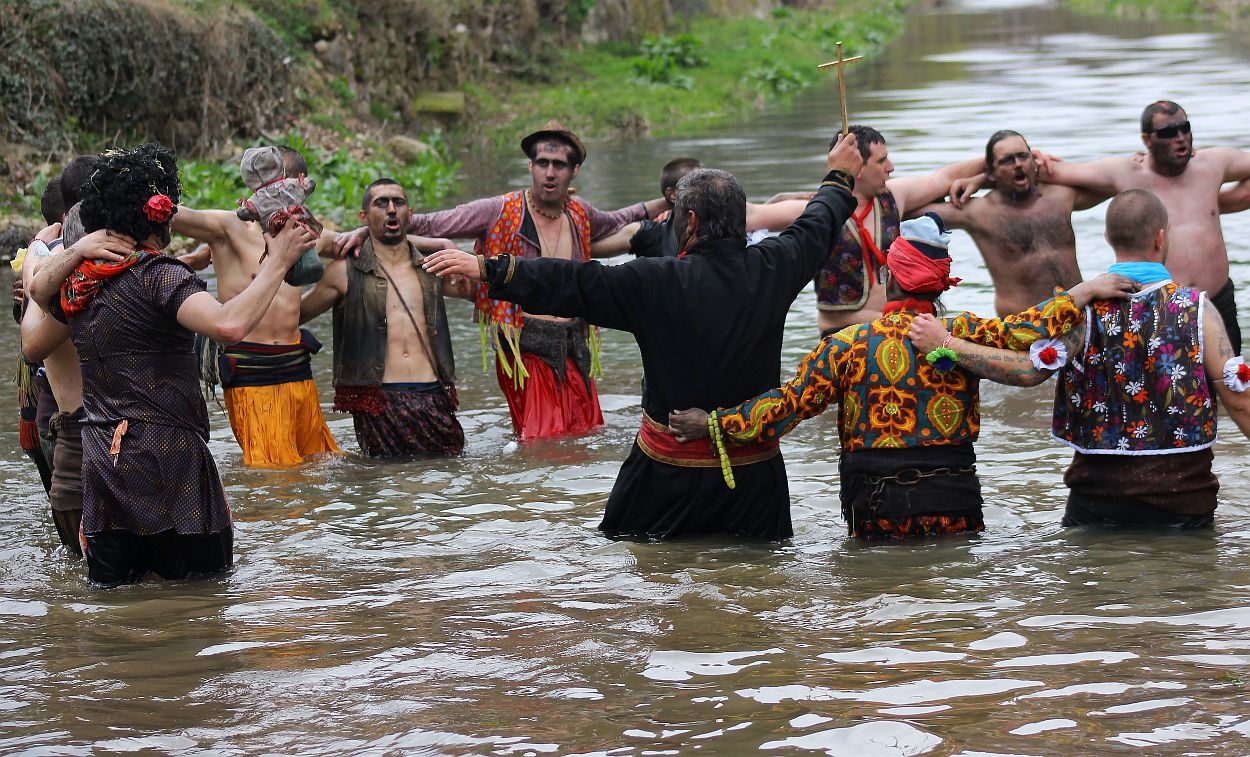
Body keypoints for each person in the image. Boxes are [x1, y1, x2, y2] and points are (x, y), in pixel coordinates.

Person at [423, 135, 865, 539]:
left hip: (666, 475)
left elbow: (571, 283)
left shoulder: (653, 282)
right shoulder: (775, 267)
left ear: (688, 222)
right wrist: (839, 174)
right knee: (753, 595)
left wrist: (487, 268)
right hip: (753, 478)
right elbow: (818, 221)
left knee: (645, 576)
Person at [667, 214, 1134, 540]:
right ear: (941, 282)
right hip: (955, 502)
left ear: (890, 275)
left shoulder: (847, 346)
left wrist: (711, 423)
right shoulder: (963, 334)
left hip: (877, 508)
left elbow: (785, 409)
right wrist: (1085, 290)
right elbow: (1023, 329)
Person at [28, 143, 316, 587]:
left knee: (114, 610)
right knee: (204, 602)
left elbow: (35, 316)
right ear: (158, 218)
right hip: (170, 466)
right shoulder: (160, 275)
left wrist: (74, 248)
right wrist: (278, 260)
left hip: (105, 469)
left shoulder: (79, 283)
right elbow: (230, 326)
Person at [911, 190, 1250, 529]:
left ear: (1106, 238)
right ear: (1161, 238)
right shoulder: (1196, 309)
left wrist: (946, 342)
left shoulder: (1083, 311)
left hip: (1098, 504)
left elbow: (1027, 371)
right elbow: (1239, 402)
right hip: (1182, 502)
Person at [341, 121, 667, 441]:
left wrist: (668, 201)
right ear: (530, 166)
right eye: (542, 163)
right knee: (542, 443)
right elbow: (431, 223)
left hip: (573, 345)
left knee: (585, 435)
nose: (549, 173)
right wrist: (369, 230)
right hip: (523, 346)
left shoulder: (580, 212)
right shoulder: (498, 210)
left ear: (574, 171)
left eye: (558, 165)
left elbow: (621, 219)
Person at [977, 101, 1250, 353]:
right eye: (1167, 132)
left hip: (1216, 300)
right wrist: (979, 180)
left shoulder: (1214, 163)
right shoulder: (1125, 172)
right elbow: (1036, 173)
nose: (1179, 137)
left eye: (1184, 128)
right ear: (1146, 140)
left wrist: (1218, 202)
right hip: (1156, 306)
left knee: (1232, 382)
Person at [170, 145, 342, 467]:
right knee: (273, 475)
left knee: (320, 465)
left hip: (297, 368)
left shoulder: (307, 234)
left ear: (300, 185)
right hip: (252, 371)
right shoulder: (228, 229)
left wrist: (434, 247)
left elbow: (356, 241)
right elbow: (173, 214)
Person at [300, 178, 470, 458]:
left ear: (410, 214)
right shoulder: (344, 272)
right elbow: (295, 317)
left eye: (398, 203)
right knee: (385, 484)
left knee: (445, 483)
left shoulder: (434, 266)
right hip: (378, 404)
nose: (391, 209)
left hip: (434, 395)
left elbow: (480, 291)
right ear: (364, 218)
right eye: (382, 203)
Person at [912, 130, 1110, 317]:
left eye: (1023, 156)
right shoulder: (977, 211)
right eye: (1007, 160)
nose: (1017, 164)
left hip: (1079, 316)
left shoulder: (1061, 196)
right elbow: (906, 209)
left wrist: (984, 178)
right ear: (990, 171)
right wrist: (972, 180)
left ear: (1035, 161)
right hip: (1022, 329)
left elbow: (1113, 182)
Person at [21, 204, 88, 556]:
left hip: (73, 437)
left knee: (86, 570)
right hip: (90, 435)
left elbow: (30, 346)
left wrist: (36, 251)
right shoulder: (154, 277)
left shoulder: (65, 295)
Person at [590, 157, 701, 258]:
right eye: (696, 185)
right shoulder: (649, 232)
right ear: (672, 194)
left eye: (707, 182)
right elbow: (586, 248)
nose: (705, 188)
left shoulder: (716, 226)